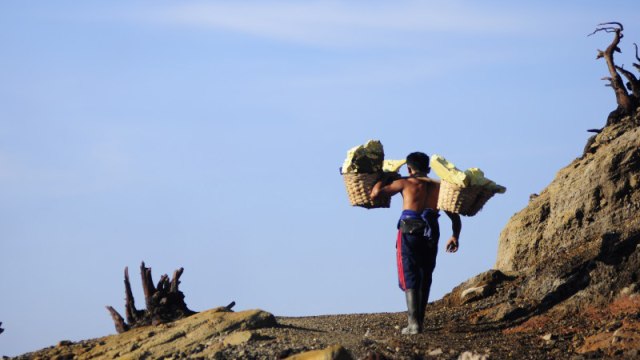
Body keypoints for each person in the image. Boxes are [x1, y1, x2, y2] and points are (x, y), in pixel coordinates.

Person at [371, 152, 461, 335]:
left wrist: (384, 178)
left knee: (410, 273)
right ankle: (419, 322)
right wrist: (455, 236)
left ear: (409, 169)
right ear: (428, 169)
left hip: (409, 230)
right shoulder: (440, 186)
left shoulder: (405, 182)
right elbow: (454, 215)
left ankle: (414, 324)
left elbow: (375, 194)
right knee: (425, 274)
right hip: (432, 230)